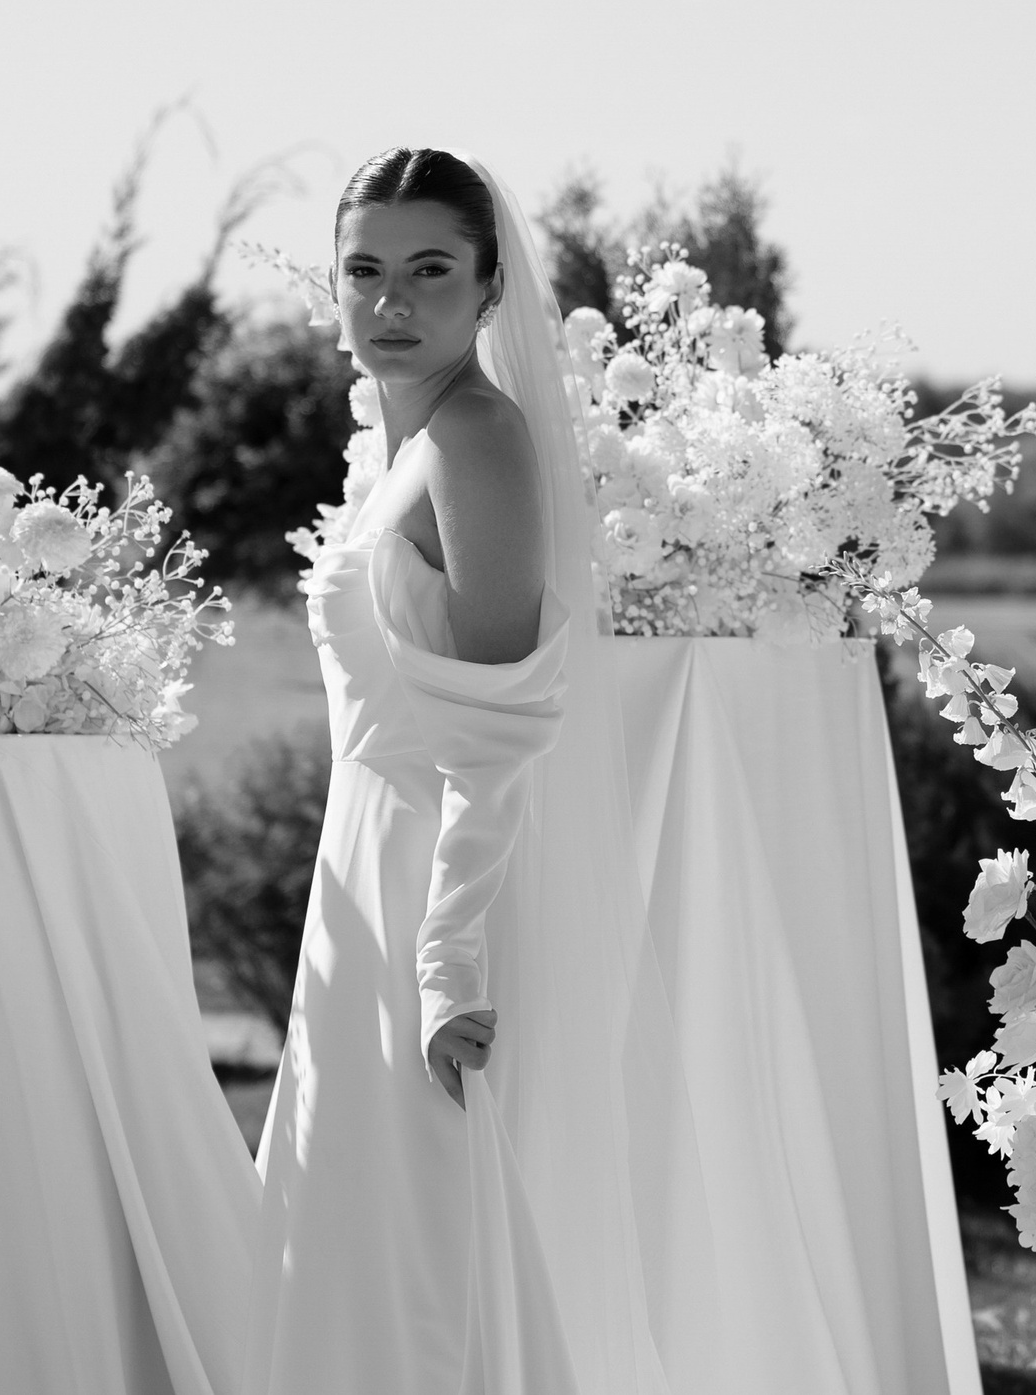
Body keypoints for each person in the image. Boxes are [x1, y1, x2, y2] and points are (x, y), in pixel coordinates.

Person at [252, 149, 714, 1394]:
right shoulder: (407, 435)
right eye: (364, 271)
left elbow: (502, 726)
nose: (391, 302)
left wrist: (447, 955)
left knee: (426, 1221)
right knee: (358, 1198)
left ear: (488, 284)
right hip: (372, 848)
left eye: (429, 272)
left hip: (436, 877)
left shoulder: (478, 442)